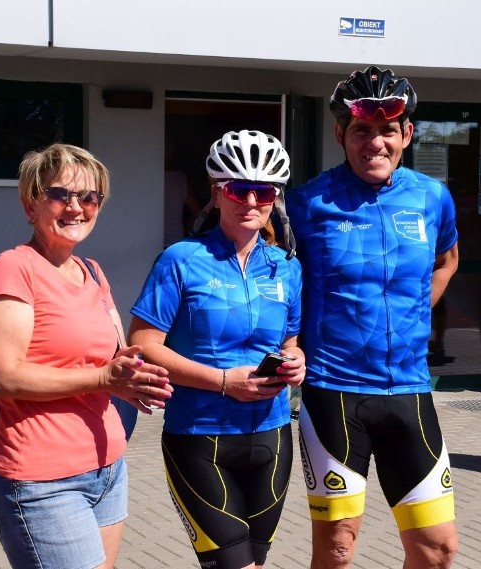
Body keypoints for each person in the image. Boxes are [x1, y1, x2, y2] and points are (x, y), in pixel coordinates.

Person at [285, 66, 459, 569]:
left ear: (406, 134)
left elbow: (446, 261)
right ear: (341, 133)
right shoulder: (306, 203)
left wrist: (409, 315)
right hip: (334, 389)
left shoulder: (431, 197)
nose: (374, 142)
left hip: (409, 390)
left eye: (388, 129)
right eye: (362, 129)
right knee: (338, 550)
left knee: (438, 549)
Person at [0, 143, 173, 569]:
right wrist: (106, 379)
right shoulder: (13, 269)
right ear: (31, 204)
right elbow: (3, 378)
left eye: (89, 197)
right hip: (41, 481)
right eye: (60, 195)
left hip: (107, 469)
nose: (76, 207)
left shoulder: (92, 272)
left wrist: (137, 378)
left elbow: (116, 354)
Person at [129, 130, 305, 569]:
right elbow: (143, 343)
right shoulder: (181, 259)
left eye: (262, 191)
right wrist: (224, 382)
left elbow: (289, 342)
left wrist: (295, 361)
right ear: (217, 193)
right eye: (238, 190)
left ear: (275, 197)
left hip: (272, 435)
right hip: (199, 437)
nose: (250, 202)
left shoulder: (286, 266)